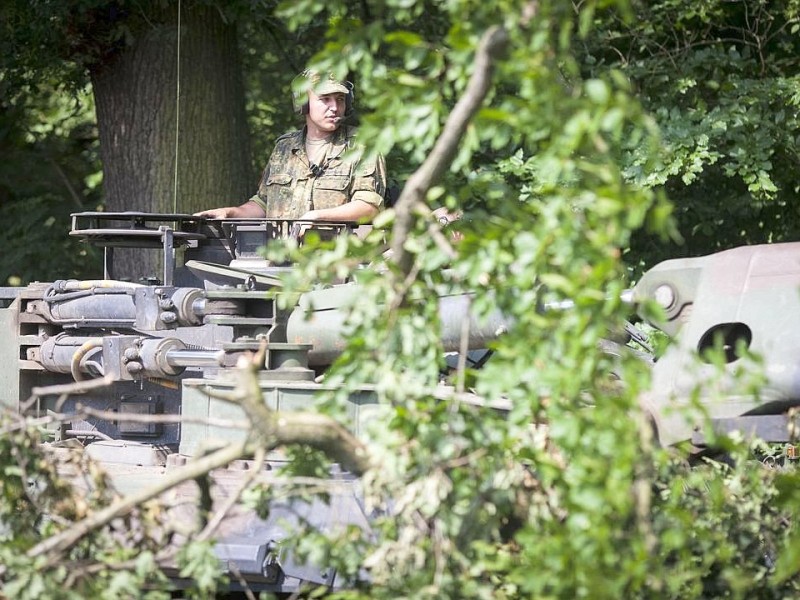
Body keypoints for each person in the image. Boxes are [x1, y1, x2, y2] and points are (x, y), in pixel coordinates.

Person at [195, 71, 386, 222]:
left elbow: (369, 207)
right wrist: (231, 212)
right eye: (325, 99)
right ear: (303, 103)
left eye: (340, 99)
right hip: (280, 261)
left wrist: (318, 217)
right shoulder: (284, 148)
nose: (335, 107)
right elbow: (264, 204)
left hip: (336, 261)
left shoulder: (361, 145)